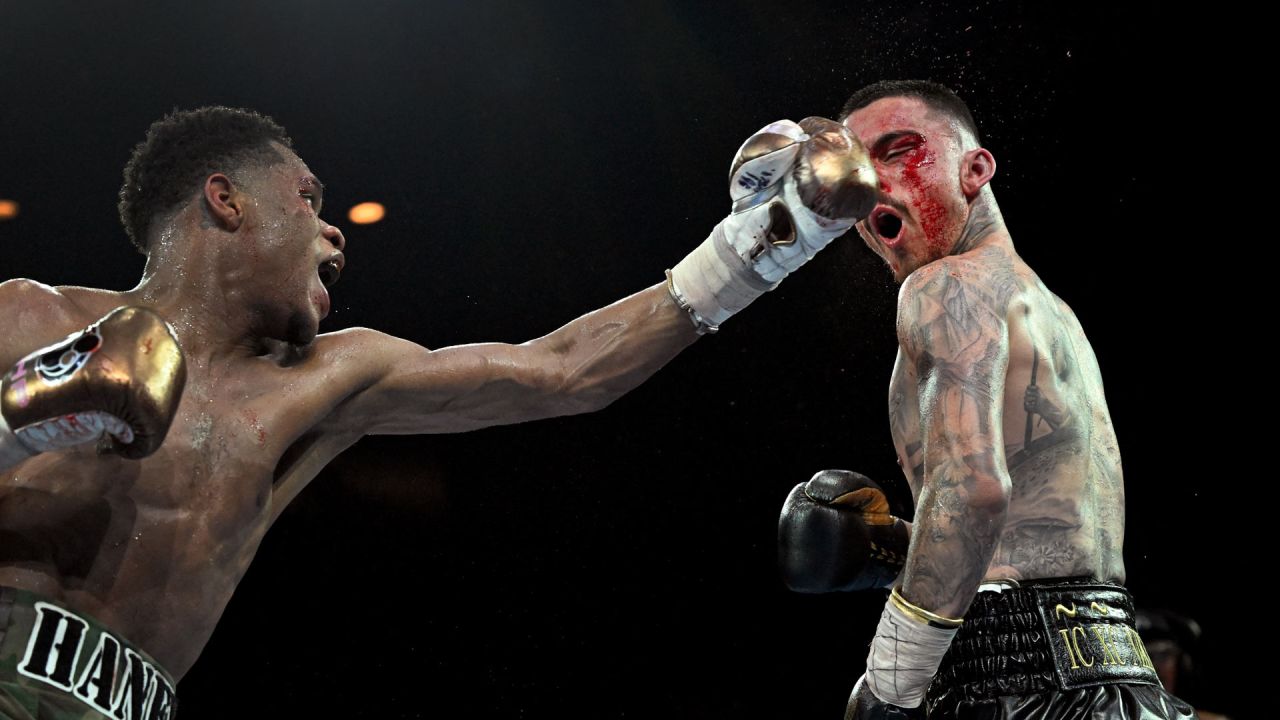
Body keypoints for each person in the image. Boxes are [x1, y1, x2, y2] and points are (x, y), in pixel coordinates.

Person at [0, 107, 876, 719]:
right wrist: (28, 417)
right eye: (308, 199)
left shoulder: (330, 382)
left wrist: (760, 246)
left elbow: (563, 373)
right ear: (225, 201)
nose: (335, 231)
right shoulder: (37, 319)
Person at [775, 81, 1197, 719]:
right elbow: (1040, 543)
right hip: (1117, 674)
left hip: (1018, 684)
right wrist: (892, 548)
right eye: (859, 169)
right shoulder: (1054, 312)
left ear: (975, 169)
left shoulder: (944, 286)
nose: (872, 185)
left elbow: (972, 490)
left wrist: (889, 683)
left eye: (898, 152)